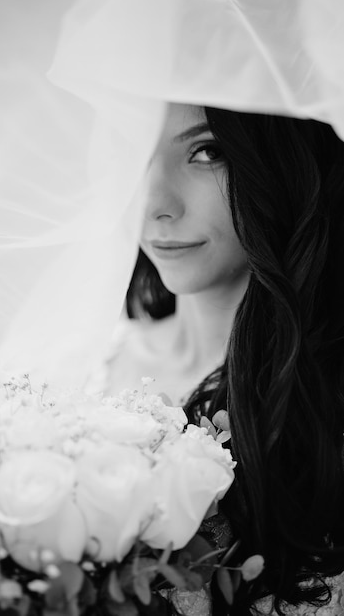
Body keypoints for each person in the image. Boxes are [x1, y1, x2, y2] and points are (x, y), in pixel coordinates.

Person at [100, 102, 344, 614]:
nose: (155, 205)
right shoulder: (82, 367)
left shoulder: (326, 398)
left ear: (278, 162)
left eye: (207, 151)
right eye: (134, 150)